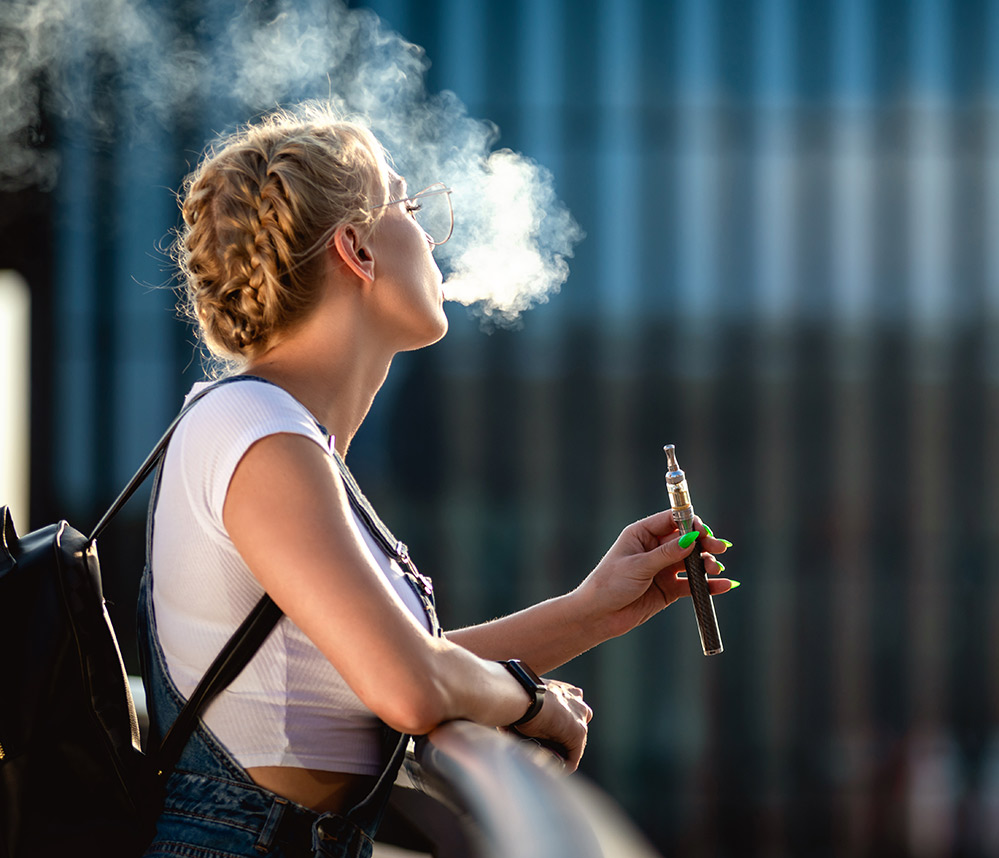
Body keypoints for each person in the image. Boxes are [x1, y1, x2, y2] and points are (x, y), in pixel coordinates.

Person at [137, 102, 734, 858]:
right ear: (356, 248)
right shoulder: (259, 435)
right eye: (408, 206)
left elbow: (380, 673)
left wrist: (594, 609)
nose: (427, 233)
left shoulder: (272, 434)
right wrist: (528, 705)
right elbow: (409, 686)